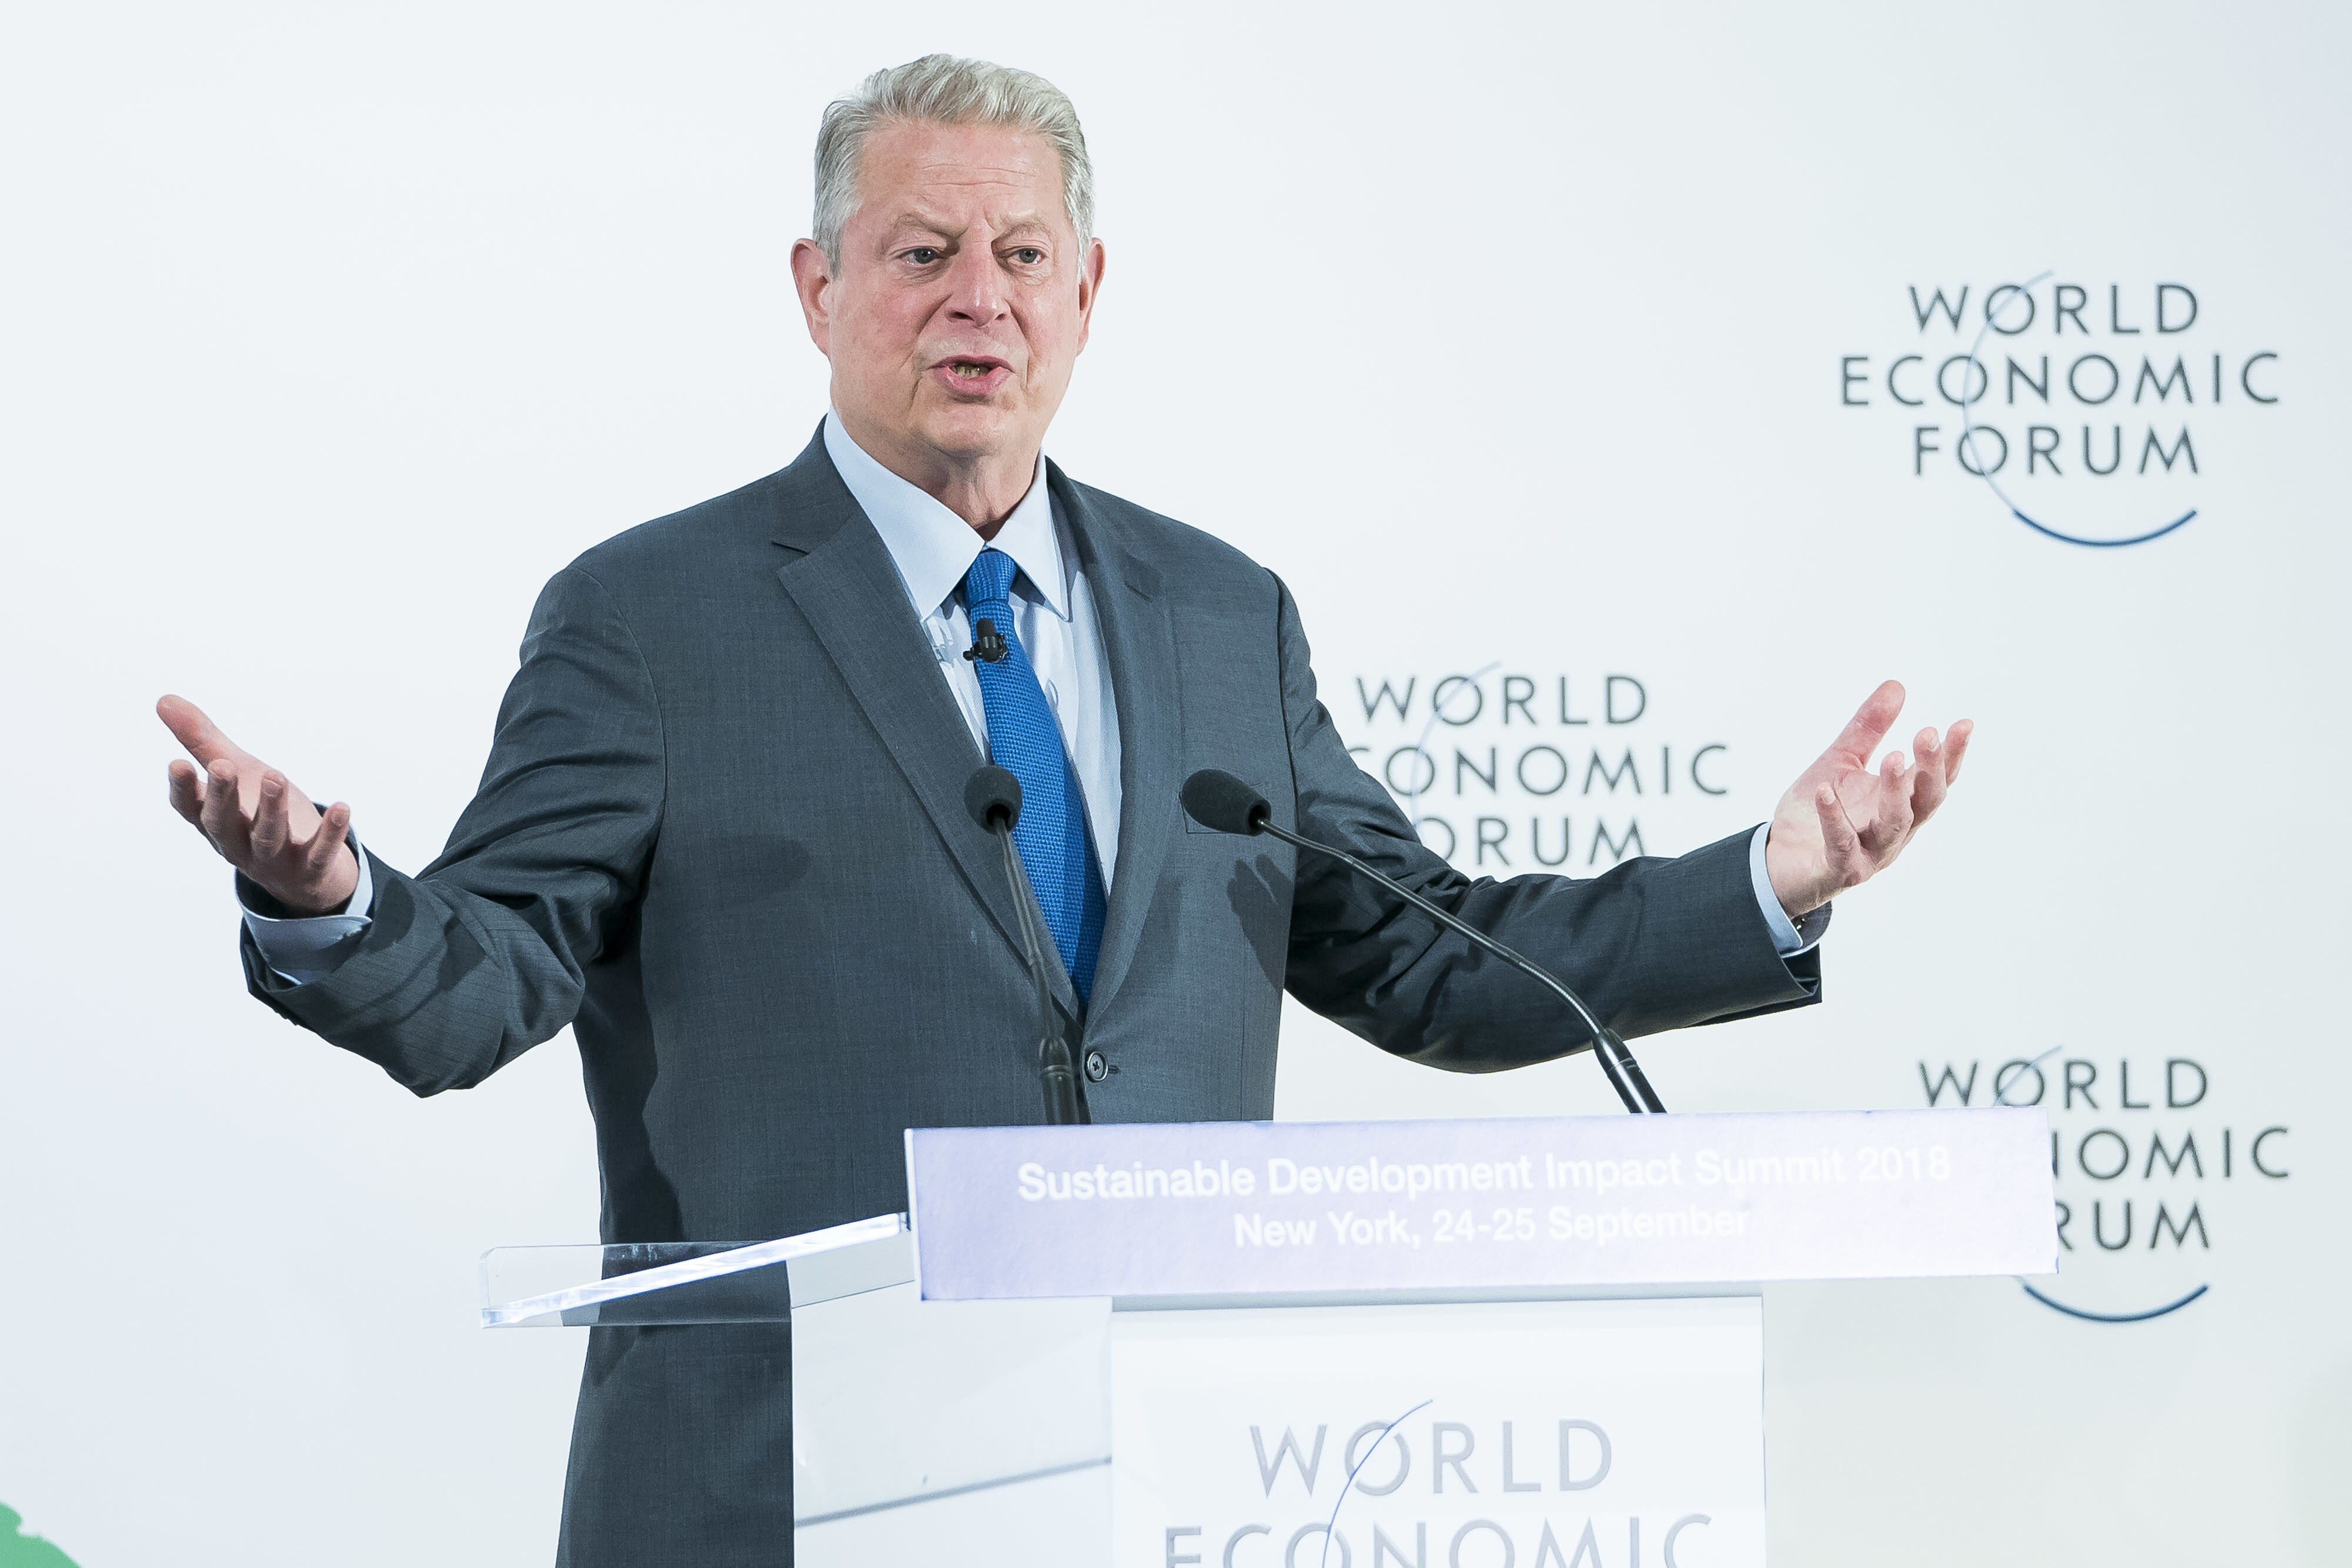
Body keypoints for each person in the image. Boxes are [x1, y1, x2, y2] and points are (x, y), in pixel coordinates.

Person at [157, 54, 1970, 1567]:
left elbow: (1433, 959)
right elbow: (484, 974)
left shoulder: (1218, 614)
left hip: (1164, 1489)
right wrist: (326, 896)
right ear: (815, 287)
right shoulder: (652, 620)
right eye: (923, 249)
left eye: (1026, 252)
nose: (981, 298)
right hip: (768, 1499)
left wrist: (1776, 876)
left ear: (1090, 294)